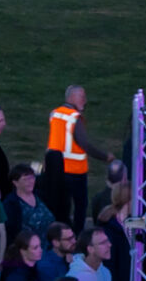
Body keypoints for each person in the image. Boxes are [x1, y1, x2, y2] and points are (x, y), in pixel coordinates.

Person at [48, 85, 112, 232]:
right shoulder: (74, 117)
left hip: (56, 169)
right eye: (82, 97)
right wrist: (105, 156)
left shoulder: (55, 114)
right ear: (71, 97)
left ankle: (60, 234)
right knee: (80, 206)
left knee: (61, 206)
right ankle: (77, 236)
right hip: (75, 171)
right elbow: (84, 144)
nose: (85, 100)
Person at [5, 164, 57, 245]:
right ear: (15, 183)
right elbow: (11, 232)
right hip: (29, 249)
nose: (31, 181)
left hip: (51, 245)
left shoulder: (41, 196)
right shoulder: (11, 204)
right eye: (26, 179)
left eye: (32, 177)